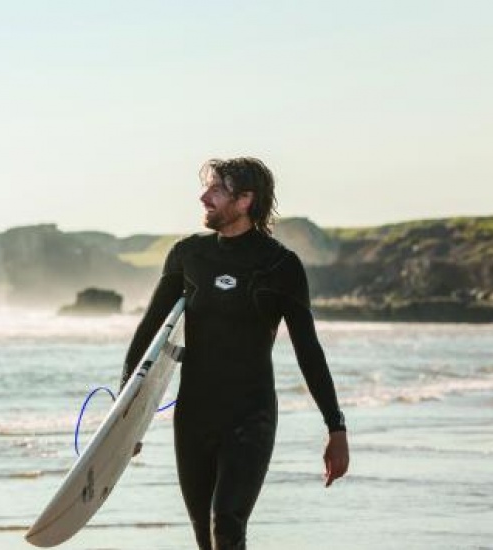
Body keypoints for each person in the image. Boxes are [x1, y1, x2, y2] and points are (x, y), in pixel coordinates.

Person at [121, 157, 349, 549]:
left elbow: (308, 351)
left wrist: (336, 426)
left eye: (216, 190)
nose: (204, 197)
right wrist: (126, 418)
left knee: (226, 522)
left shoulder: (280, 265)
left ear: (245, 200)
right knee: (205, 538)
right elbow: (149, 334)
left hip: (250, 416)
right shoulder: (188, 255)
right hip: (194, 417)